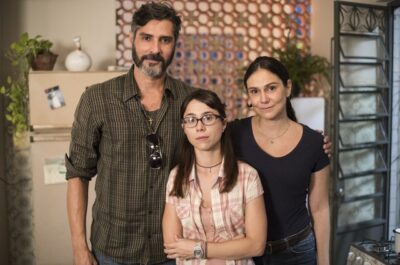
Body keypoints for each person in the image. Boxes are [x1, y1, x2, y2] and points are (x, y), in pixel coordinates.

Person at [65, 2, 196, 265]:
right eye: (146, 38)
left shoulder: (190, 101)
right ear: (132, 39)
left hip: (172, 250)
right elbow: (77, 174)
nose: (155, 49)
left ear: (175, 44)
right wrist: (79, 247)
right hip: (112, 250)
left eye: (165, 40)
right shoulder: (97, 99)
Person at [230, 56, 331, 265]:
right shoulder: (234, 134)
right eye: (255, 91)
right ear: (248, 97)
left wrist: (324, 261)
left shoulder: (314, 143)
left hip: (298, 252)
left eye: (271, 88)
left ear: (288, 87)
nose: (263, 99)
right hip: (246, 253)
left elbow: (320, 209)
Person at [162, 89, 267, 264]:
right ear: (184, 128)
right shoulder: (176, 177)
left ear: (224, 124)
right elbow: (173, 246)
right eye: (191, 120)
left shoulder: (247, 176)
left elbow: (256, 245)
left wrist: (198, 248)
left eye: (208, 117)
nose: (199, 126)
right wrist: (234, 247)